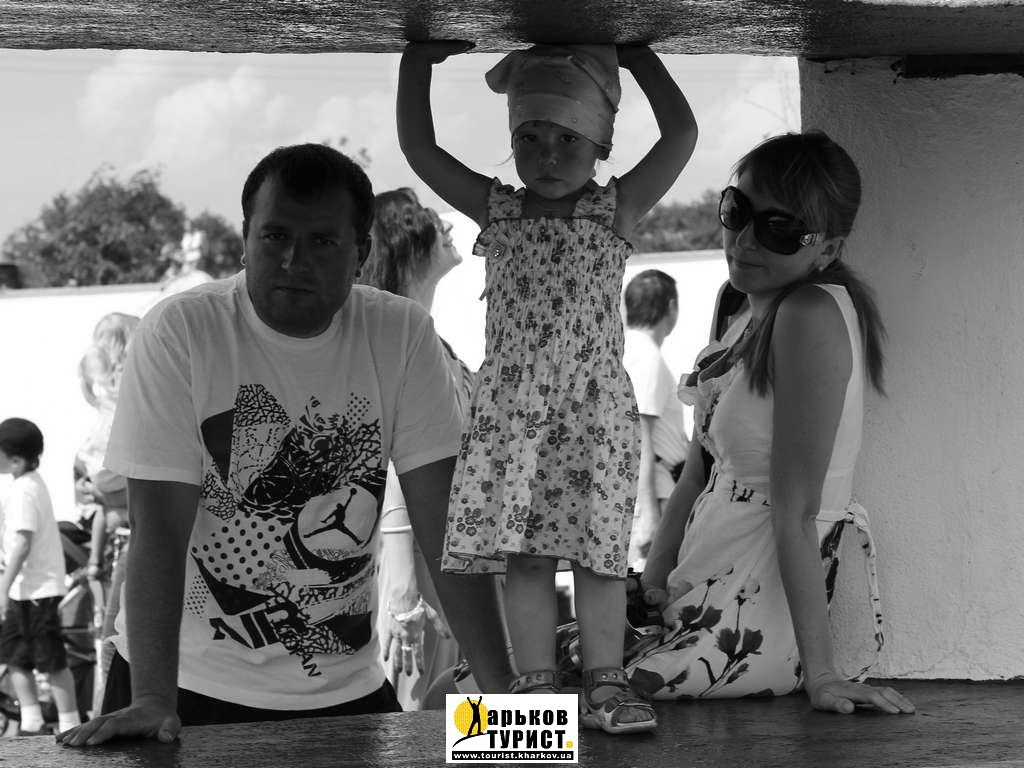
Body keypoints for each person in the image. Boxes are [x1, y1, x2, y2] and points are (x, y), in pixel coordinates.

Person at [58, 143, 511, 747]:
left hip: (348, 695)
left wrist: (504, 698)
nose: (294, 260)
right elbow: (157, 530)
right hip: (178, 686)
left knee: (536, 748)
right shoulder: (180, 329)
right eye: (275, 237)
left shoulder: (401, 331)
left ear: (360, 253)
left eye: (322, 241)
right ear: (245, 240)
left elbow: (444, 525)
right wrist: (152, 700)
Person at [398, 41, 697, 734]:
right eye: (529, 138)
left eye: (569, 139)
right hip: (515, 413)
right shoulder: (497, 211)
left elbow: (681, 135)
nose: (548, 155)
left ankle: (605, 684)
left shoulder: (614, 209)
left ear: (601, 146)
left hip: (594, 412)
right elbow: (419, 147)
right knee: (525, 558)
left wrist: (637, 56)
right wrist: (417, 61)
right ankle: (534, 696)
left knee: (600, 557)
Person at [631, 131, 915, 715]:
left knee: (514, 713)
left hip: (748, 604)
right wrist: (652, 586)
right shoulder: (740, 307)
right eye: (737, 210)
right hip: (696, 581)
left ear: (827, 249)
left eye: (779, 228)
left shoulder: (810, 314)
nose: (744, 239)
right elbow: (697, 473)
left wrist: (823, 674)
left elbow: (797, 513)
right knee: (500, 684)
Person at [358, 187, 471, 709]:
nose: (442, 222)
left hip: (454, 563)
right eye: (423, 215)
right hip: (421, 570)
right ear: (402, 242)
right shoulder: (392, 343)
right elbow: (393, 465)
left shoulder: (430, 341)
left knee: (465, 723)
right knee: (420, 724)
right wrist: (403, 590)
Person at [74, 312, 139, 713]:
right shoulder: (126, 403)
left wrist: (97, 488)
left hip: (137, 539)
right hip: (132, 538)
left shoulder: (125, 407)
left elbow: (121, 482)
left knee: (116, 646)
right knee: (116, 644)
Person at [0, 418, 81, 735]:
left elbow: (22, 543)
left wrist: (3, 586)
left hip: (38, 591)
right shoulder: (23, 485)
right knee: (14, 657)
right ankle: (31, 720)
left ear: (16, 460)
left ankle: (69, 721)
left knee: (52, 660)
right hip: (23, 591)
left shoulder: (26, 489)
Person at [621, 270, 690, 571]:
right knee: (650, 580)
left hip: (649, 490)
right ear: (671, 306)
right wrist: (649, 514)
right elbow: (639, 436)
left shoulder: (628, 349)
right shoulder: (646, 357)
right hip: (655, 494)